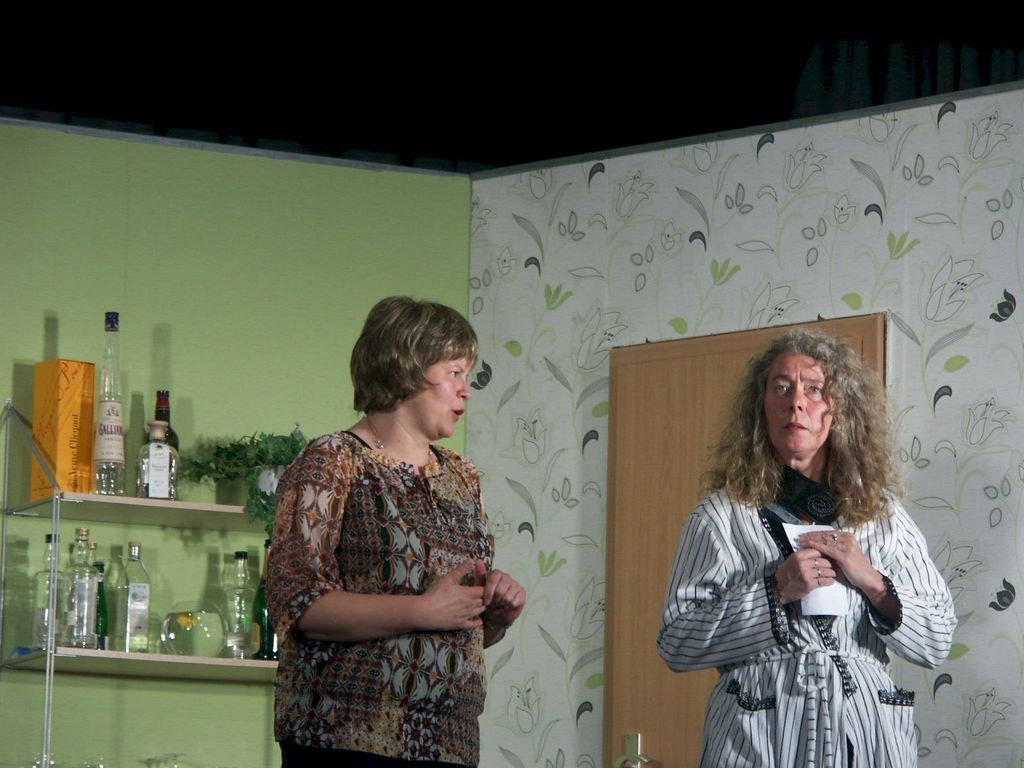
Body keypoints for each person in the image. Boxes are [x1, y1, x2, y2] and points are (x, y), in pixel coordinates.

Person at [656, 327, 956, 767]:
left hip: (867, 737)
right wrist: (774, 591)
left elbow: (937, 639)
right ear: (761, 408)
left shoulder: (883, 517)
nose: (796, 401)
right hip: (757, 738)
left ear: (840, 410)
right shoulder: (720, 516)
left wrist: (873, 582)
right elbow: (677, 642)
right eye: (781, 388)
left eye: (814, 389)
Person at [268, 296, 526, 768]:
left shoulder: (463, 477)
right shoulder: (333, 461)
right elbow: (298, 604)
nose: (466, 391)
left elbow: (453, 630)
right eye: (454, 372)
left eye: (467, 375)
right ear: (406, 368)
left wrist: (494, 614)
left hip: (451, 743)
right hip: (345, 741)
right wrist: (423, 609)